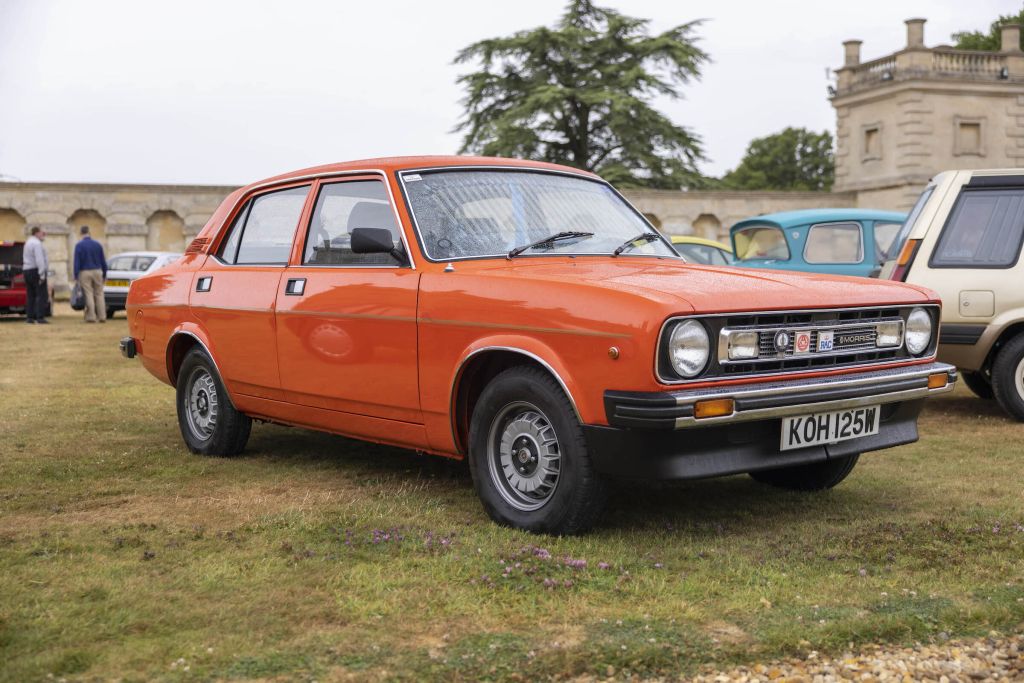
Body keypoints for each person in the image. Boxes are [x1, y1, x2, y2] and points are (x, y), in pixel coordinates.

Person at [73, 225, 107, 323]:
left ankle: (91, 316)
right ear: (89, 232)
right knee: (99, 294)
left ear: (81, 233)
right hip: (97, 271)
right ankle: (102, 316)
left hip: (85, 271)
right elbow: (103, 260)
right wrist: (104, 273)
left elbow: (77, 262)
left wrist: (76, 275)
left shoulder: (79, 245)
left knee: (88, 294)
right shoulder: (97, 244)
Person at [22, 226, 50, 324]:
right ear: (37, 233)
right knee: (41, 295)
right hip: (36, 270)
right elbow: (39, 260)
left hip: (26, 270)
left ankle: (30, 317)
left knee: (30, 295)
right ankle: (40, 317)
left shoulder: (28, 242)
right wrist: (42, 274)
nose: (44, 234)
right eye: (42, 233)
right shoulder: (37, 243)